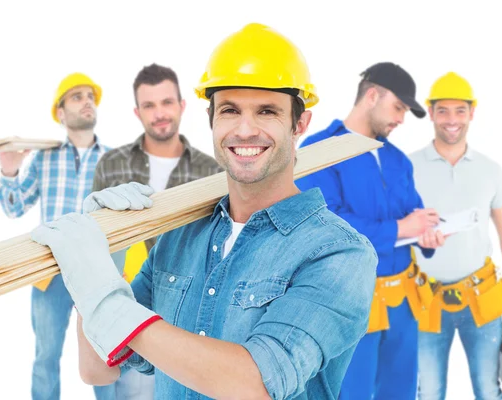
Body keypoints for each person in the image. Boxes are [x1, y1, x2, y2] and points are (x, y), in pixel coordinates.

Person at [30, 23, 379, 399]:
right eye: (229, 110)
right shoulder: (181, 235)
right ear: (211, 119)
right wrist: (106, 255)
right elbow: (98, 369)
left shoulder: (339, 253)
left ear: (300, 124)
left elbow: (256, 383)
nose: (245, 130)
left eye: (266, 111)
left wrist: (115, 308)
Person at [295, 62, 446, 399]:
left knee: (401, 391)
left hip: (403, 301)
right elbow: (327, 227)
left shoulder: (397, 159)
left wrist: (427, 235)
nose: (401, 119)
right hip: (350, 302)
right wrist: (399, 228)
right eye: (398, 107)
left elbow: (414, 214)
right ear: (372, 95)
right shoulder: (318, 152)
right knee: (352, 391)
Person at [92, 63, 222, 399]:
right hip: (123, 308)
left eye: (166, 102)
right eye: (149, 105)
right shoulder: (112, 164)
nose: (159, 113)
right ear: (137, 112)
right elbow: (96, 242)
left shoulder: (213, 171)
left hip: (186, 317)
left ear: (182, 105)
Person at [409, 71, 502, 400]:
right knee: (429, 393)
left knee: (487, 389)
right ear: (431, 113)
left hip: (480, 299)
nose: (452, 120)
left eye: (460, 111)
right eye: (443, 111)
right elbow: (393, 234)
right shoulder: (407, 168)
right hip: (426, 301)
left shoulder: (490, 171)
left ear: (472, 113)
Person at [0, 73, 115, 399]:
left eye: (90, 95)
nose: (87, 101)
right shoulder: (44, 158)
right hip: (50, 273)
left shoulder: (114, 158)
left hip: (99, 274)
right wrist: (10, 170)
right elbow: (15, 207)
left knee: (105, 356)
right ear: (61, 113)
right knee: (46, 356)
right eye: (77, 96)